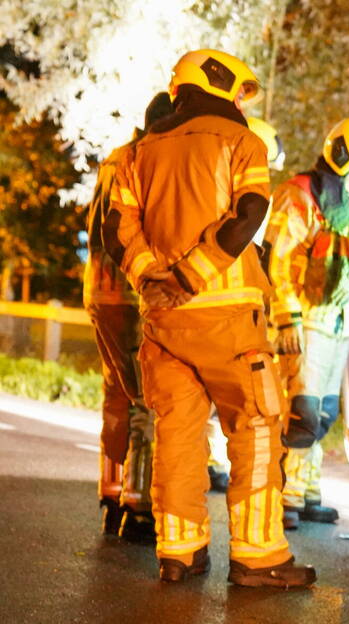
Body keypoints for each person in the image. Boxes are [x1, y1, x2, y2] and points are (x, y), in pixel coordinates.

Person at [103, 48, 315, 587]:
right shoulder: (243, 142)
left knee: (177, 430)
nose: (241, 102)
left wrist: (154, 280)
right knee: (257, 426)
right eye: (240, 91)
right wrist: (190, 276)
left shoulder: (137, 151)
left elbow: (114, 230)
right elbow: (247, 216)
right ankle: (259, 557)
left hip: (164, 321)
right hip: (225, 316)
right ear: (219, 83)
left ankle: (179, 552)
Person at [264, 116, 349, 529]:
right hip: (306, 322)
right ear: (348, 161)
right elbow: (277, 261)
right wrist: (287, 319)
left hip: (340, 323)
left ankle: (305, 492)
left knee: (323, 413)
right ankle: (282, 495)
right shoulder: (301, 196)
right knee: (300, 411)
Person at [86, 92, 173, 543]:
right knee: (145, 395)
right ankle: (139, 506)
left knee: (115, 392)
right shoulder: (147, 161)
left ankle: (112, 490)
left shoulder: (114, 160)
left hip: (100, 290)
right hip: (132, 290)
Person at [206, 115, 288, 494]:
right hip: (229, 309)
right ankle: (211, 461)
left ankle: (212, 460)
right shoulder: (236, 190)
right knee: (240, 400)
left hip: (239, 306)